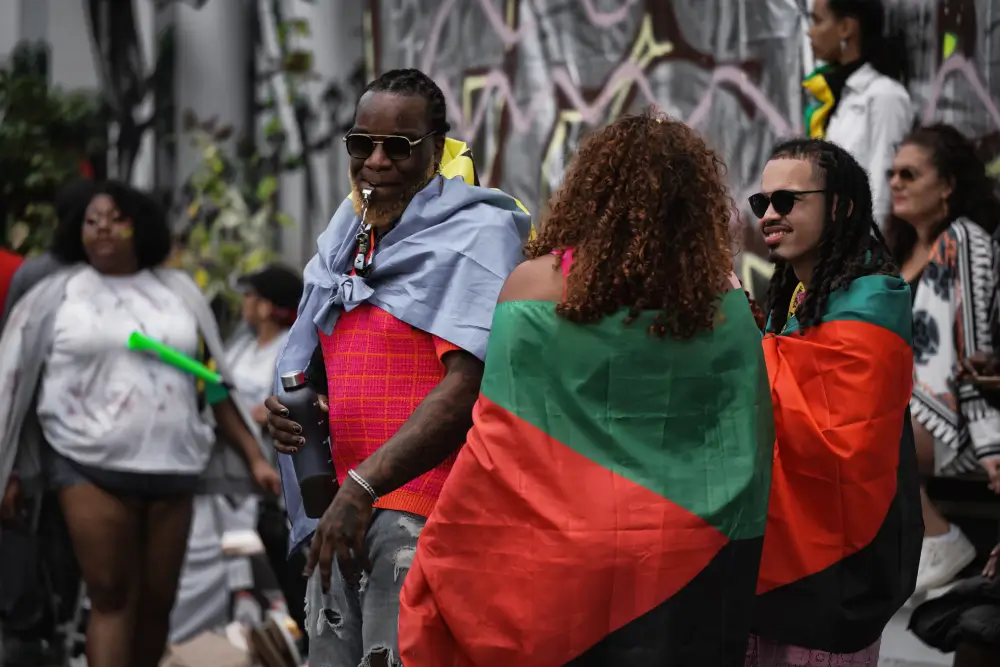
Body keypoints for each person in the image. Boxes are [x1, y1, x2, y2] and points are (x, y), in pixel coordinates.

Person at [394, 112, 773, 666]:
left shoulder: (530, 285)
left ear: (588, 192)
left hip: (559, 560)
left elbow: (501, 435)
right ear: (695, 206)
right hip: (683, 556)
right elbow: (748, 434)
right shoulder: (724, 303)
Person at [264, 68, 532, 667]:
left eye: (398, 147)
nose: (376, 162)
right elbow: (324, 364)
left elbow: (468, 386)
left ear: (436, 150)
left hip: (430, 517)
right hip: (342, 513)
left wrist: (364, 487)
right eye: (362, 145)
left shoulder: (477, 235)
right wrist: (294, 413)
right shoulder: (345, 240)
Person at [0, 181, 281, 667]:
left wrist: (254, 456)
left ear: (140, 225)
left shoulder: (179, 292)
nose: (103, 227)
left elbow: (211, 380)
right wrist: (8, 468)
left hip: (174, 467)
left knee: (156, 605)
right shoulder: (55, 295)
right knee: (111, 598)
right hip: (85, 463)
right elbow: (12, 381)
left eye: (116, 217)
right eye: (91, 220)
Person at [748, 138, 922, 664]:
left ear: (841, 206)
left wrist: (739, 340)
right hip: (771, 568)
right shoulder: (795, 295)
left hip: (832, 575)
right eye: (762, 203)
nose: (769, 215)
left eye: (787, 201)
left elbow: (830, 431)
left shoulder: (874, 298)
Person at [884, 124, 1000, 593]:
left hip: (953, 418)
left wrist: (992, 444)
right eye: (891, 174)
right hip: (910, 409)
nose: (895, 183)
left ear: (948, 185)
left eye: (909, 174)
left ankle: (938, 536)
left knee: (867, 429)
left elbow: (976, 352)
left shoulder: (964, 242)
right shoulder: (897, 250)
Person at [170, 263, 304, 643]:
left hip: (266, 470)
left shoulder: (289, 348)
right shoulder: (240, 345)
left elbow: (286, 401)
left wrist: (261, 413)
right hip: (228, 468)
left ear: (268, 307)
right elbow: (219, 387)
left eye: (251, 297)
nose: (244, 304)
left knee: (262, 556)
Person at [804, 0, 912, 223]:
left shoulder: (885, 96)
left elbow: (883, 192)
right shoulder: (840, 95)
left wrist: (871, 254)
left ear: (846, 28)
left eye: (818, 21)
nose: (809, 31)